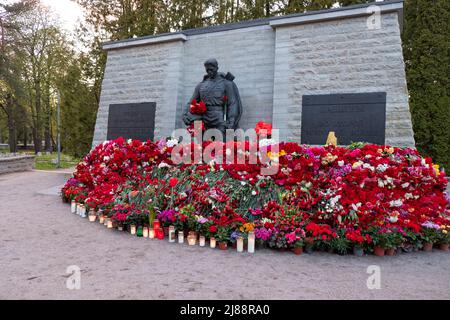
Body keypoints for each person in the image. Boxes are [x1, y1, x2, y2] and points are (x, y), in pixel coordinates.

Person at [182, 58, 242, 135]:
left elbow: (232, 103)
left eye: (211, 69)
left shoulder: (226, 83)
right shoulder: (201, 85)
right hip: (203, 118)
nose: (209, 72)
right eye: (207, 70)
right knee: (201, 143)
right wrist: (184, 114)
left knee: (220, 142)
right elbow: (191, 102)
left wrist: (231, 120)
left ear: (217, 68)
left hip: (219, 118)